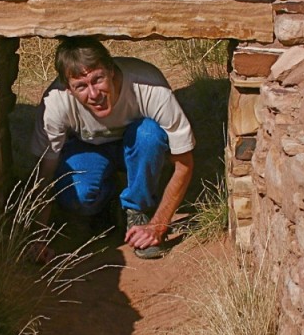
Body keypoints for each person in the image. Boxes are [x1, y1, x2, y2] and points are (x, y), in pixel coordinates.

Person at [30, 38, 195, 260]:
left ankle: (139, 209)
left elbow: (184, 163)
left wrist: (159, 225)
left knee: (148, 135)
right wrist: (38, 238)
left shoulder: (149, 86)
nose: (94, 94)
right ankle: (104, 208)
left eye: (98, 79)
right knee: (78, 195)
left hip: (137, 144)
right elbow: (44, 174)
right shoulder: (55, 102)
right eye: (81, 86)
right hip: (89, 149)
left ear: (112, 71)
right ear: (68, 89)